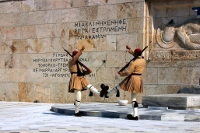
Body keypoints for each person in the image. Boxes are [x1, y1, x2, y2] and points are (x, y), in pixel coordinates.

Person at [100, 45, 146, 120]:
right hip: (139, 78)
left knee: (119, 86)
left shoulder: (133, 63)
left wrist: (121, 74)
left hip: (132, 78)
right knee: (134, 98)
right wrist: (130, 49)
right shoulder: (143, 61)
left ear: (136, 54)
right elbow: (136, 55)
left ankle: (107, 94)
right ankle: (136, 115)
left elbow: (128, 72)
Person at [68, 46, 100, 117]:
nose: (77, 57)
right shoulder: (71, 62)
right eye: (76, 55)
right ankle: (76, 112)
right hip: (75, 79)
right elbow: (75, 58)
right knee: (78, 97)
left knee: (90, 87)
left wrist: (87, 72)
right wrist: (81, 50)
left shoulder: (79, 64)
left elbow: (82, 72)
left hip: (81, 78)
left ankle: (100, 93)